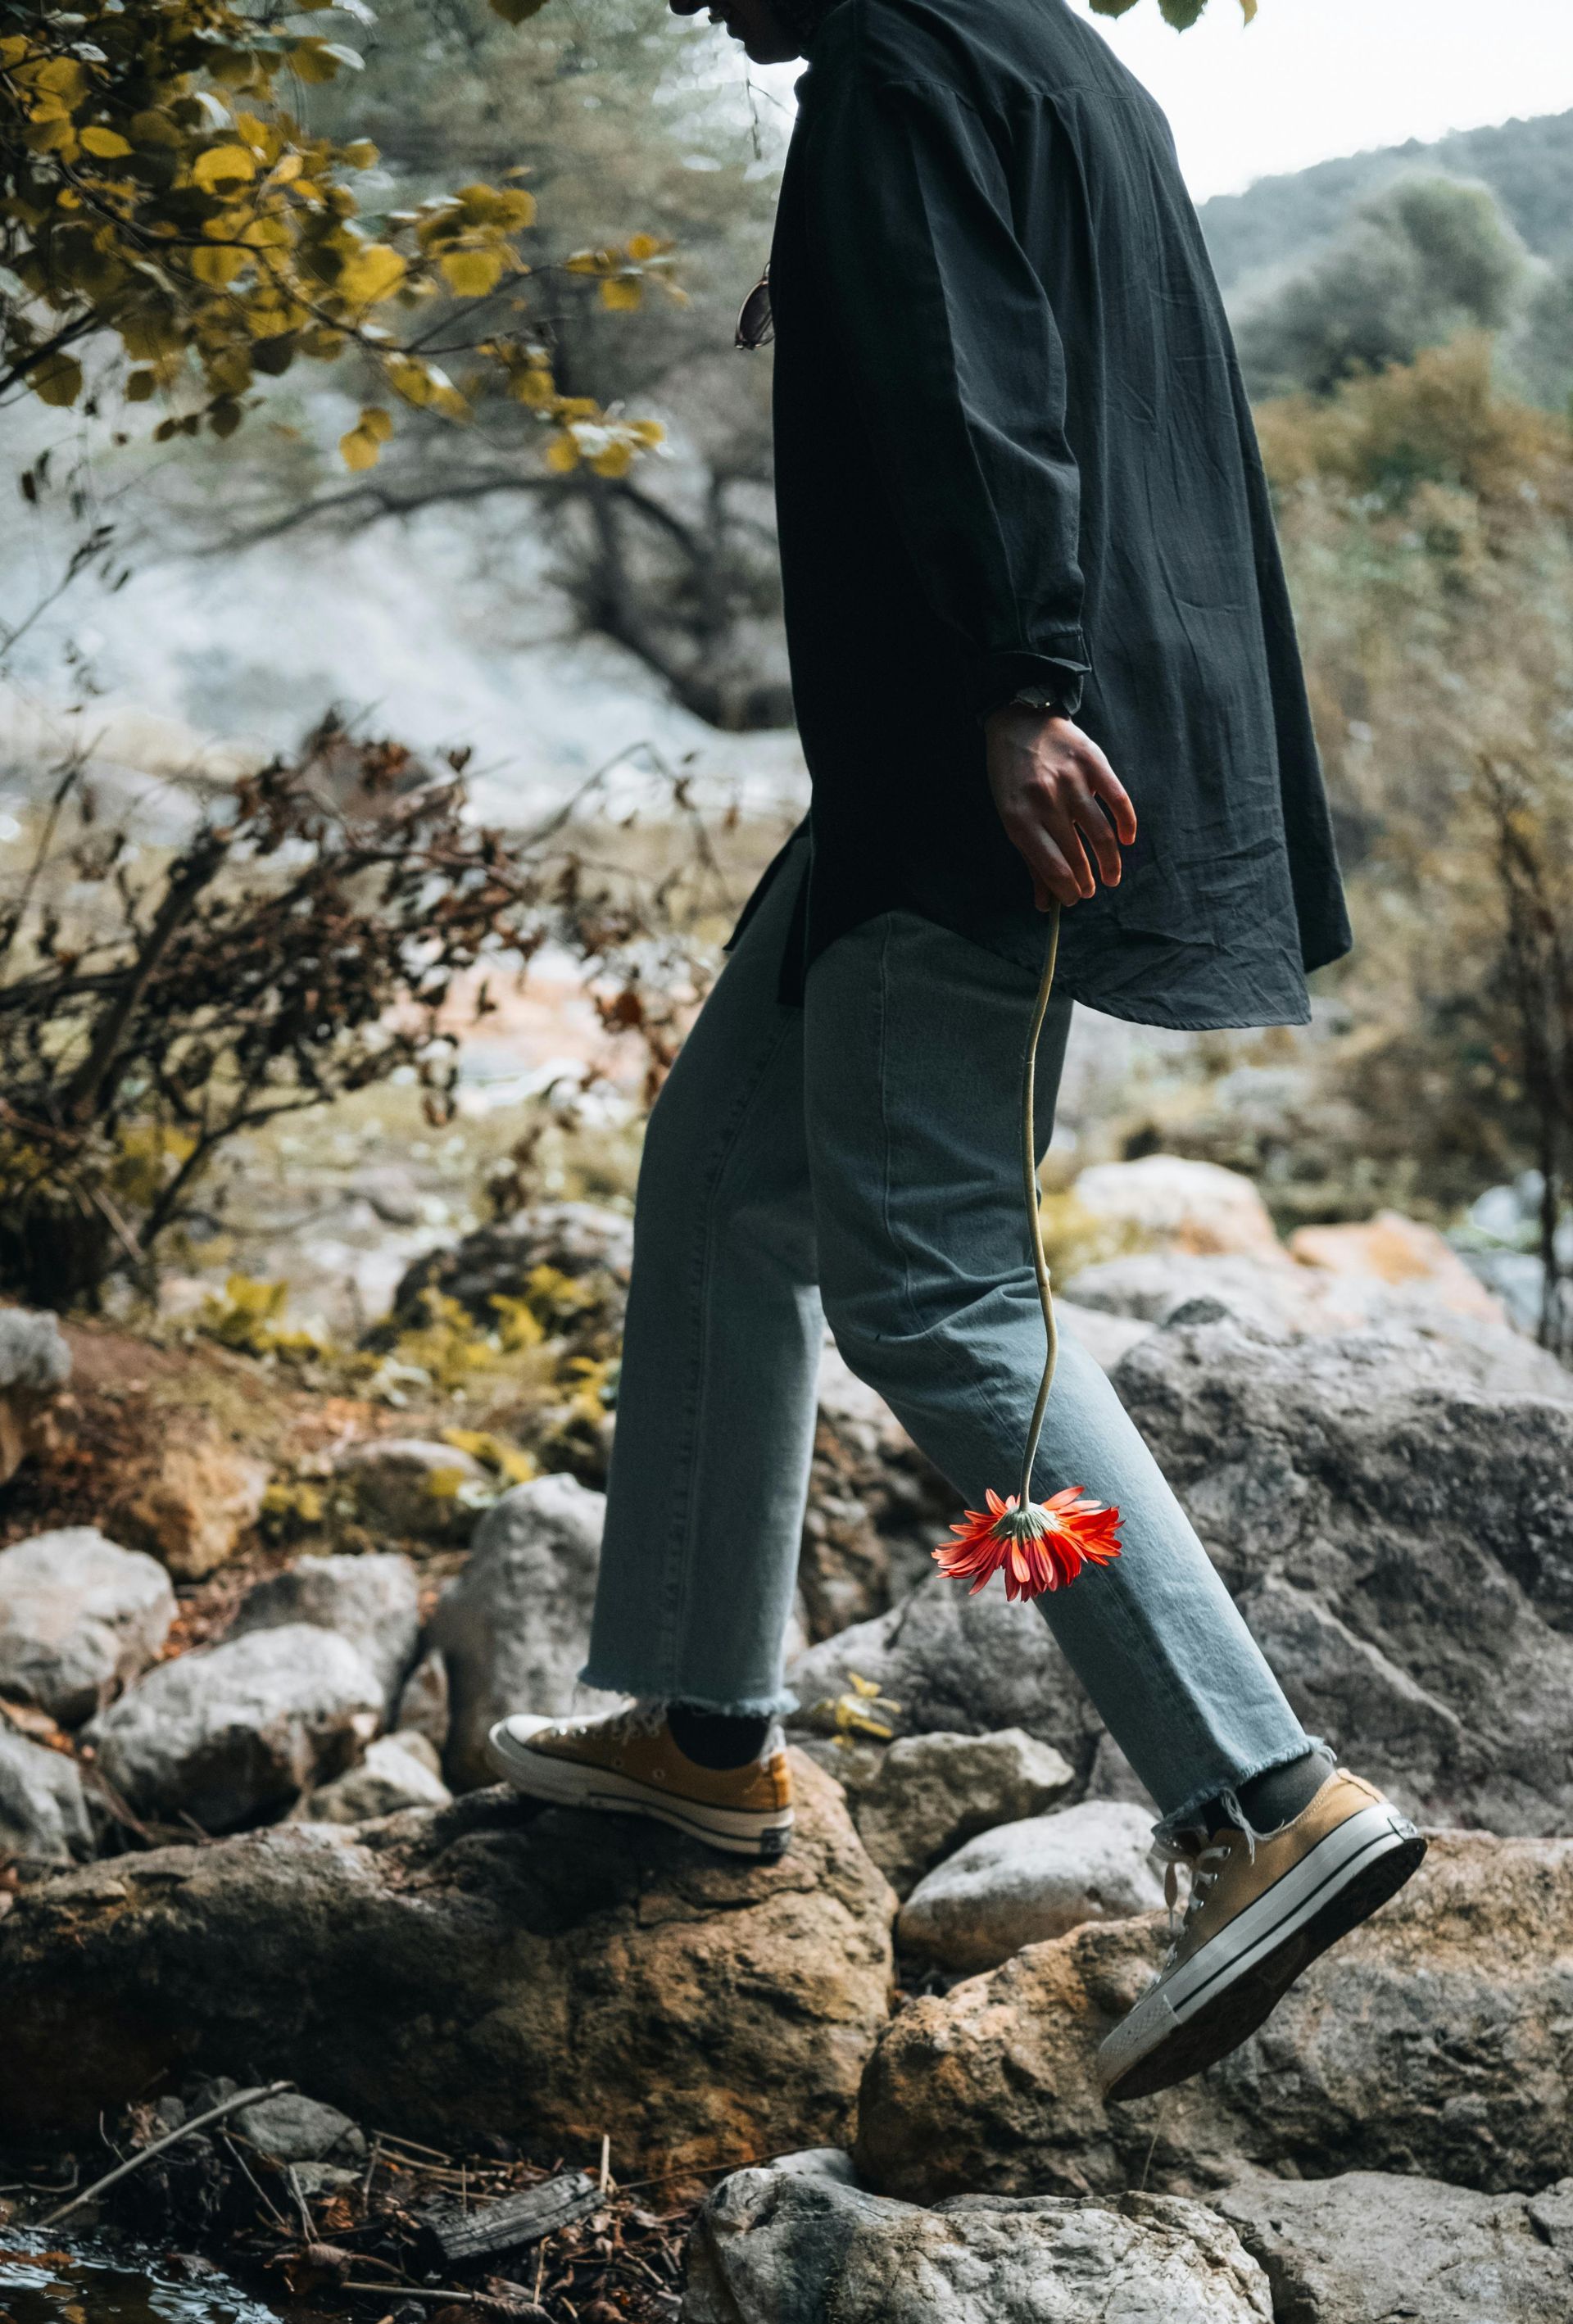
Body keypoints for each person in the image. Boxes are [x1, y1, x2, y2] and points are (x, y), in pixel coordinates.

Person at [489, 0, 1427, 2102]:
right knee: (729, 1179)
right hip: (965, 757)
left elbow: (983, 405)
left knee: (939, 1286)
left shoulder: (907, 74)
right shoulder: (1055, 60)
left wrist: (1016, 687)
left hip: (987, 768)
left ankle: (1257, 1792)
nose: (689, 2)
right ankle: (698, 1725)